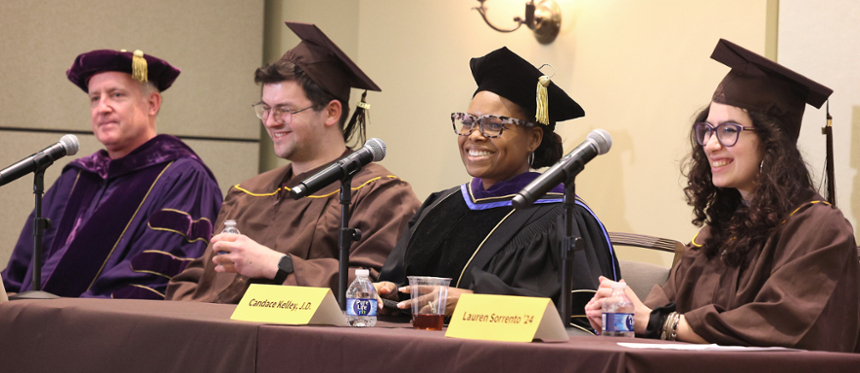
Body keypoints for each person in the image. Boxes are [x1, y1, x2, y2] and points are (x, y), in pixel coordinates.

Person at [586, 39, 860, 352]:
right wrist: (618, 315)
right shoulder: (717, 232)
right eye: (708, 130)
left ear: (773, 143)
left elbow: (776, 325)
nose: (711, 144)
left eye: (729, 130)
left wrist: (660, 322)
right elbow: (653, 313)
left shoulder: (818, 229)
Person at [165, 22, 420, 303]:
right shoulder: (247, 194)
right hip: (220, 339)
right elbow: (196, 278)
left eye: (285, 110)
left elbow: (379, 287)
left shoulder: (380, 194)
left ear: (331, 112)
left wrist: (278, 265)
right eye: (265, 109)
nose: (271, 121)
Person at [375, 47, 620, 329]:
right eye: (467, 122)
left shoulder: (562, 217)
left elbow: (582, 322)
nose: (475, 135)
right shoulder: (440, 206)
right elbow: (404, 288)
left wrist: (473, 303)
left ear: (534, 139)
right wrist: (392, 295)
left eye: (493, 125)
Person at [1, 49, 223, 299]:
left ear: (152, 104)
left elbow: (157, 276)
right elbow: (20, 270)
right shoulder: (76, 178)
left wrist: (66, 314)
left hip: (107, 331)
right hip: (34, 328)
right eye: (94, 98)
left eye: (116, 95)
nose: (102, 108)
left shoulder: (183, 178)